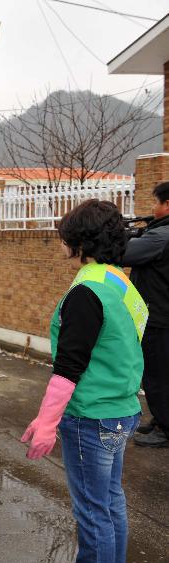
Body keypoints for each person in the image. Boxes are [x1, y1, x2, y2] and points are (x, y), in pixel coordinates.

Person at [22, 199, 146, 563]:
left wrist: (46, 423)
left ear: (81, 242)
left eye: (64, 237)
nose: (61, 245)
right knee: (110, 503)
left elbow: (68, 369)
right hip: (123, 410)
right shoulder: (120, 281)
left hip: (91, 416)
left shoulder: (85, 293)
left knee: (94, 515)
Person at [120, 181, 169, 448]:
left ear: (167, 205)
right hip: (162, 313)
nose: (153, 207)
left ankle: (166, 427)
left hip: (159, 317)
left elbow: (123, 254)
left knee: (157, 374)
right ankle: (162, 419)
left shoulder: (161, 236)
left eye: (156, 202)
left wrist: (120, 235)